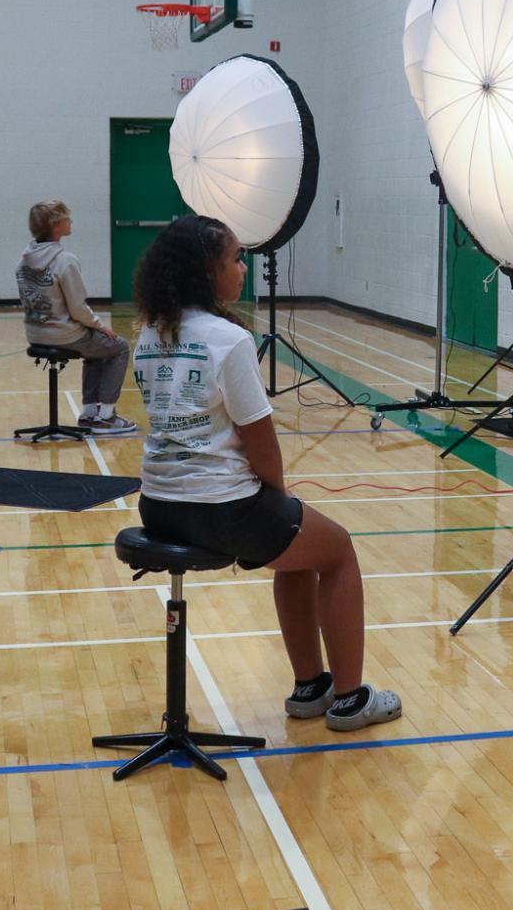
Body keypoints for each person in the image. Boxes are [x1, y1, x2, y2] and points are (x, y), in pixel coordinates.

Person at [131, 215, 403, 732]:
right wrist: (278, 499)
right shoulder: (228, 340)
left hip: (158, 502)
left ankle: (309, 689)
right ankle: (350, 699)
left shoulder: (150, 333)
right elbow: (262, 444)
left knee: (297, 555)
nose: (244, 267)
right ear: (207, 272)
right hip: (221, 508)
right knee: (338, 549)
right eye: (235, 259)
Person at [16, 200, 136, 435]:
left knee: (96, 347)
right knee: (118, 346)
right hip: (63, 334)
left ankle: (90, 412)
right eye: (67, 218)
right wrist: (102, 326)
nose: (71, 221)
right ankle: (106, 416)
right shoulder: (64, 260)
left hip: (35, 332)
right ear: (57, 226)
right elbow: (78, 309)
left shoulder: (23, 261)